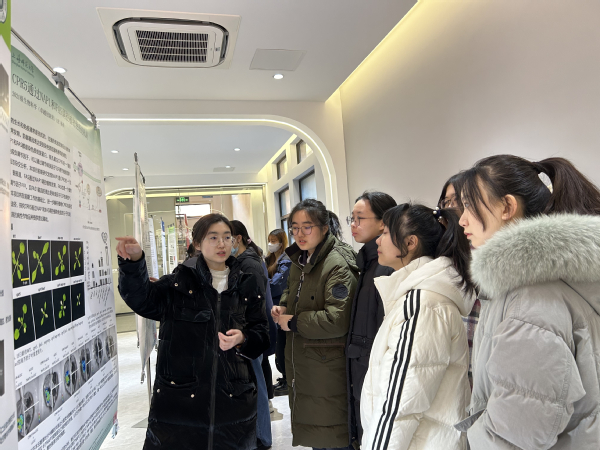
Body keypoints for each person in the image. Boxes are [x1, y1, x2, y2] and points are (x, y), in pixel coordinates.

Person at [455, 155, 600, 449]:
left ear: (507, 207)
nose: (462, 219)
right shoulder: (544, 285)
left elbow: (515, 435)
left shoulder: (529, 299)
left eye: (470, 205)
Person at [116, 213, 269, 450]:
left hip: (233, 401)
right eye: (213, 237)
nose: (221, 244)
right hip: (181, 402)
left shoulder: (247, 283)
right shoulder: (180, 282)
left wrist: (244, 338)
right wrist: (135, 262)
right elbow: (142, 300)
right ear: (197, 243)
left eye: (227, 237)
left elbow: (262, 333)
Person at [361, 203, 476, 450]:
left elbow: (399, 404)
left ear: (410, 242)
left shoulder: (422, 303)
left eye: (385, 233)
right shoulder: (420, 296)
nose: (378, 241)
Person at [271, 199, 358, 450]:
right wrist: (284, 306)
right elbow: (292, 291)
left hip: (326, 366)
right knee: (317, 434)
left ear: (324, 228)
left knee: (332, 435)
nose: (300, 234)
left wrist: (294, 322)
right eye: (294, 228)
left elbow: (337, 319)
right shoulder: (301, 258)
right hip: (307, 363)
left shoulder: (337, 263)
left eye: (307, 227)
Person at [345, 191, 397, 447]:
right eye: (351, 219)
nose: (353, 225)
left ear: (383, 223)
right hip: (361, 367)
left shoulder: (385, 267)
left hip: (372, 372)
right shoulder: (366, 263)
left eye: (360, 218)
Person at [231, 220, 274, 450]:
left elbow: (252, 302)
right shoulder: (247, 259)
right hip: (250, 331)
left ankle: (262, 437)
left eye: (226, 237)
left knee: (257, 383)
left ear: (237, 238)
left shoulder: (248, 263)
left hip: (251, 331)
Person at [438, 174, 480, 389]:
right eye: (447, 201)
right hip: (456, 367)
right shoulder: (444, 253)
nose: (451, 208)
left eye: (460, 201)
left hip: (479, 364)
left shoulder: (482, 253)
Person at [265, 229, 292, 396]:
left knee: (283, 345)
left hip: (281, 305)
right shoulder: (269, 259)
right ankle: (284, 377)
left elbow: (275, 285)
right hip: (273, 305)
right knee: (279, 345)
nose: (271, 244)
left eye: (274, 241)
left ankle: (288, 379)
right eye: (269, 240)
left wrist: (264, 282)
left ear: (281, 242)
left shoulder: (286, 260)